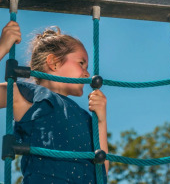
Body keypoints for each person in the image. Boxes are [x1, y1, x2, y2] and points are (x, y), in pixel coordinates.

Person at [0, 21, 109, 183]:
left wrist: (101, 120)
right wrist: (2, 48)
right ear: (54, 63)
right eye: (81, 63)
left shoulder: (84, 116)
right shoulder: (30, 96)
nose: (87, 74)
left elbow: (102, 170)